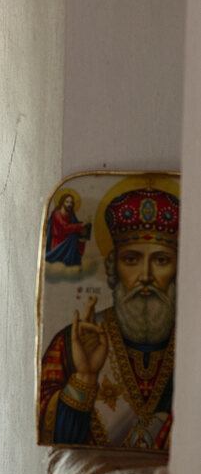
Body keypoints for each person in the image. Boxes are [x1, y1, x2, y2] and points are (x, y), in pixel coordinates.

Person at [39, 185, 178, 450]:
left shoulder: (193, 345)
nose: (145, 276)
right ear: (114, 267)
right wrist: (85, 376)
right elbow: (56, 444)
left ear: (178, 269)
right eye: (132, 259)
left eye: (161, 260)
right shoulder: (71, 344)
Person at [45, 190, 90, 266]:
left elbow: (75, 224)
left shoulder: (70, 214)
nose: (69, 204)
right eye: (67, 202)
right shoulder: (57, 214)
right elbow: (65, 228)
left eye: (71, 202)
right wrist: (81, 225)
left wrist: (85, 226)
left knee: (77, 237)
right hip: (58, 243)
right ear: (62, 202)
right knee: (73, 237)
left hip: (67, 241)